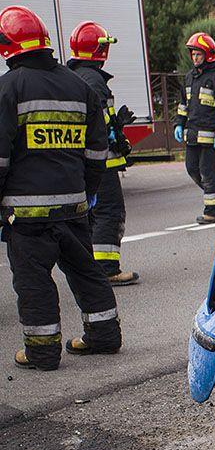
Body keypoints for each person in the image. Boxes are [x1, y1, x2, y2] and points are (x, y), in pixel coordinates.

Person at [0, 5, 122, 370]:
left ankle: (41, 351)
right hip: (74, 207)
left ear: (8, 46)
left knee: (34, 280)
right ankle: (104, 336)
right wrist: (86, 192)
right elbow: (97, 151)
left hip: (26, 214)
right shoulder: (78, 85)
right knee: (86, 271)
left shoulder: (9, 88)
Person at [66, 20, 139, 286]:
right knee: (110, 211)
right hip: (101, 160)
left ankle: (90, 266)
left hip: (78, 160)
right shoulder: (94, 80)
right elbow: (101, 123)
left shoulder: (71, 75)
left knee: (90, 215)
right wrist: (117, 130)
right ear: (98, 50)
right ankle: (107, 268)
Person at [175, 32, 215, 224]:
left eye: (198, 54)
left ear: (208, 55)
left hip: (211, 138)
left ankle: (213, 211)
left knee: (208, 173)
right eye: (193, 54)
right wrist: (178, 123)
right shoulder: (189, 78)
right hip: (192, 136)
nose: (195, 58)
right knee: (192, 169)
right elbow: (183, 105)